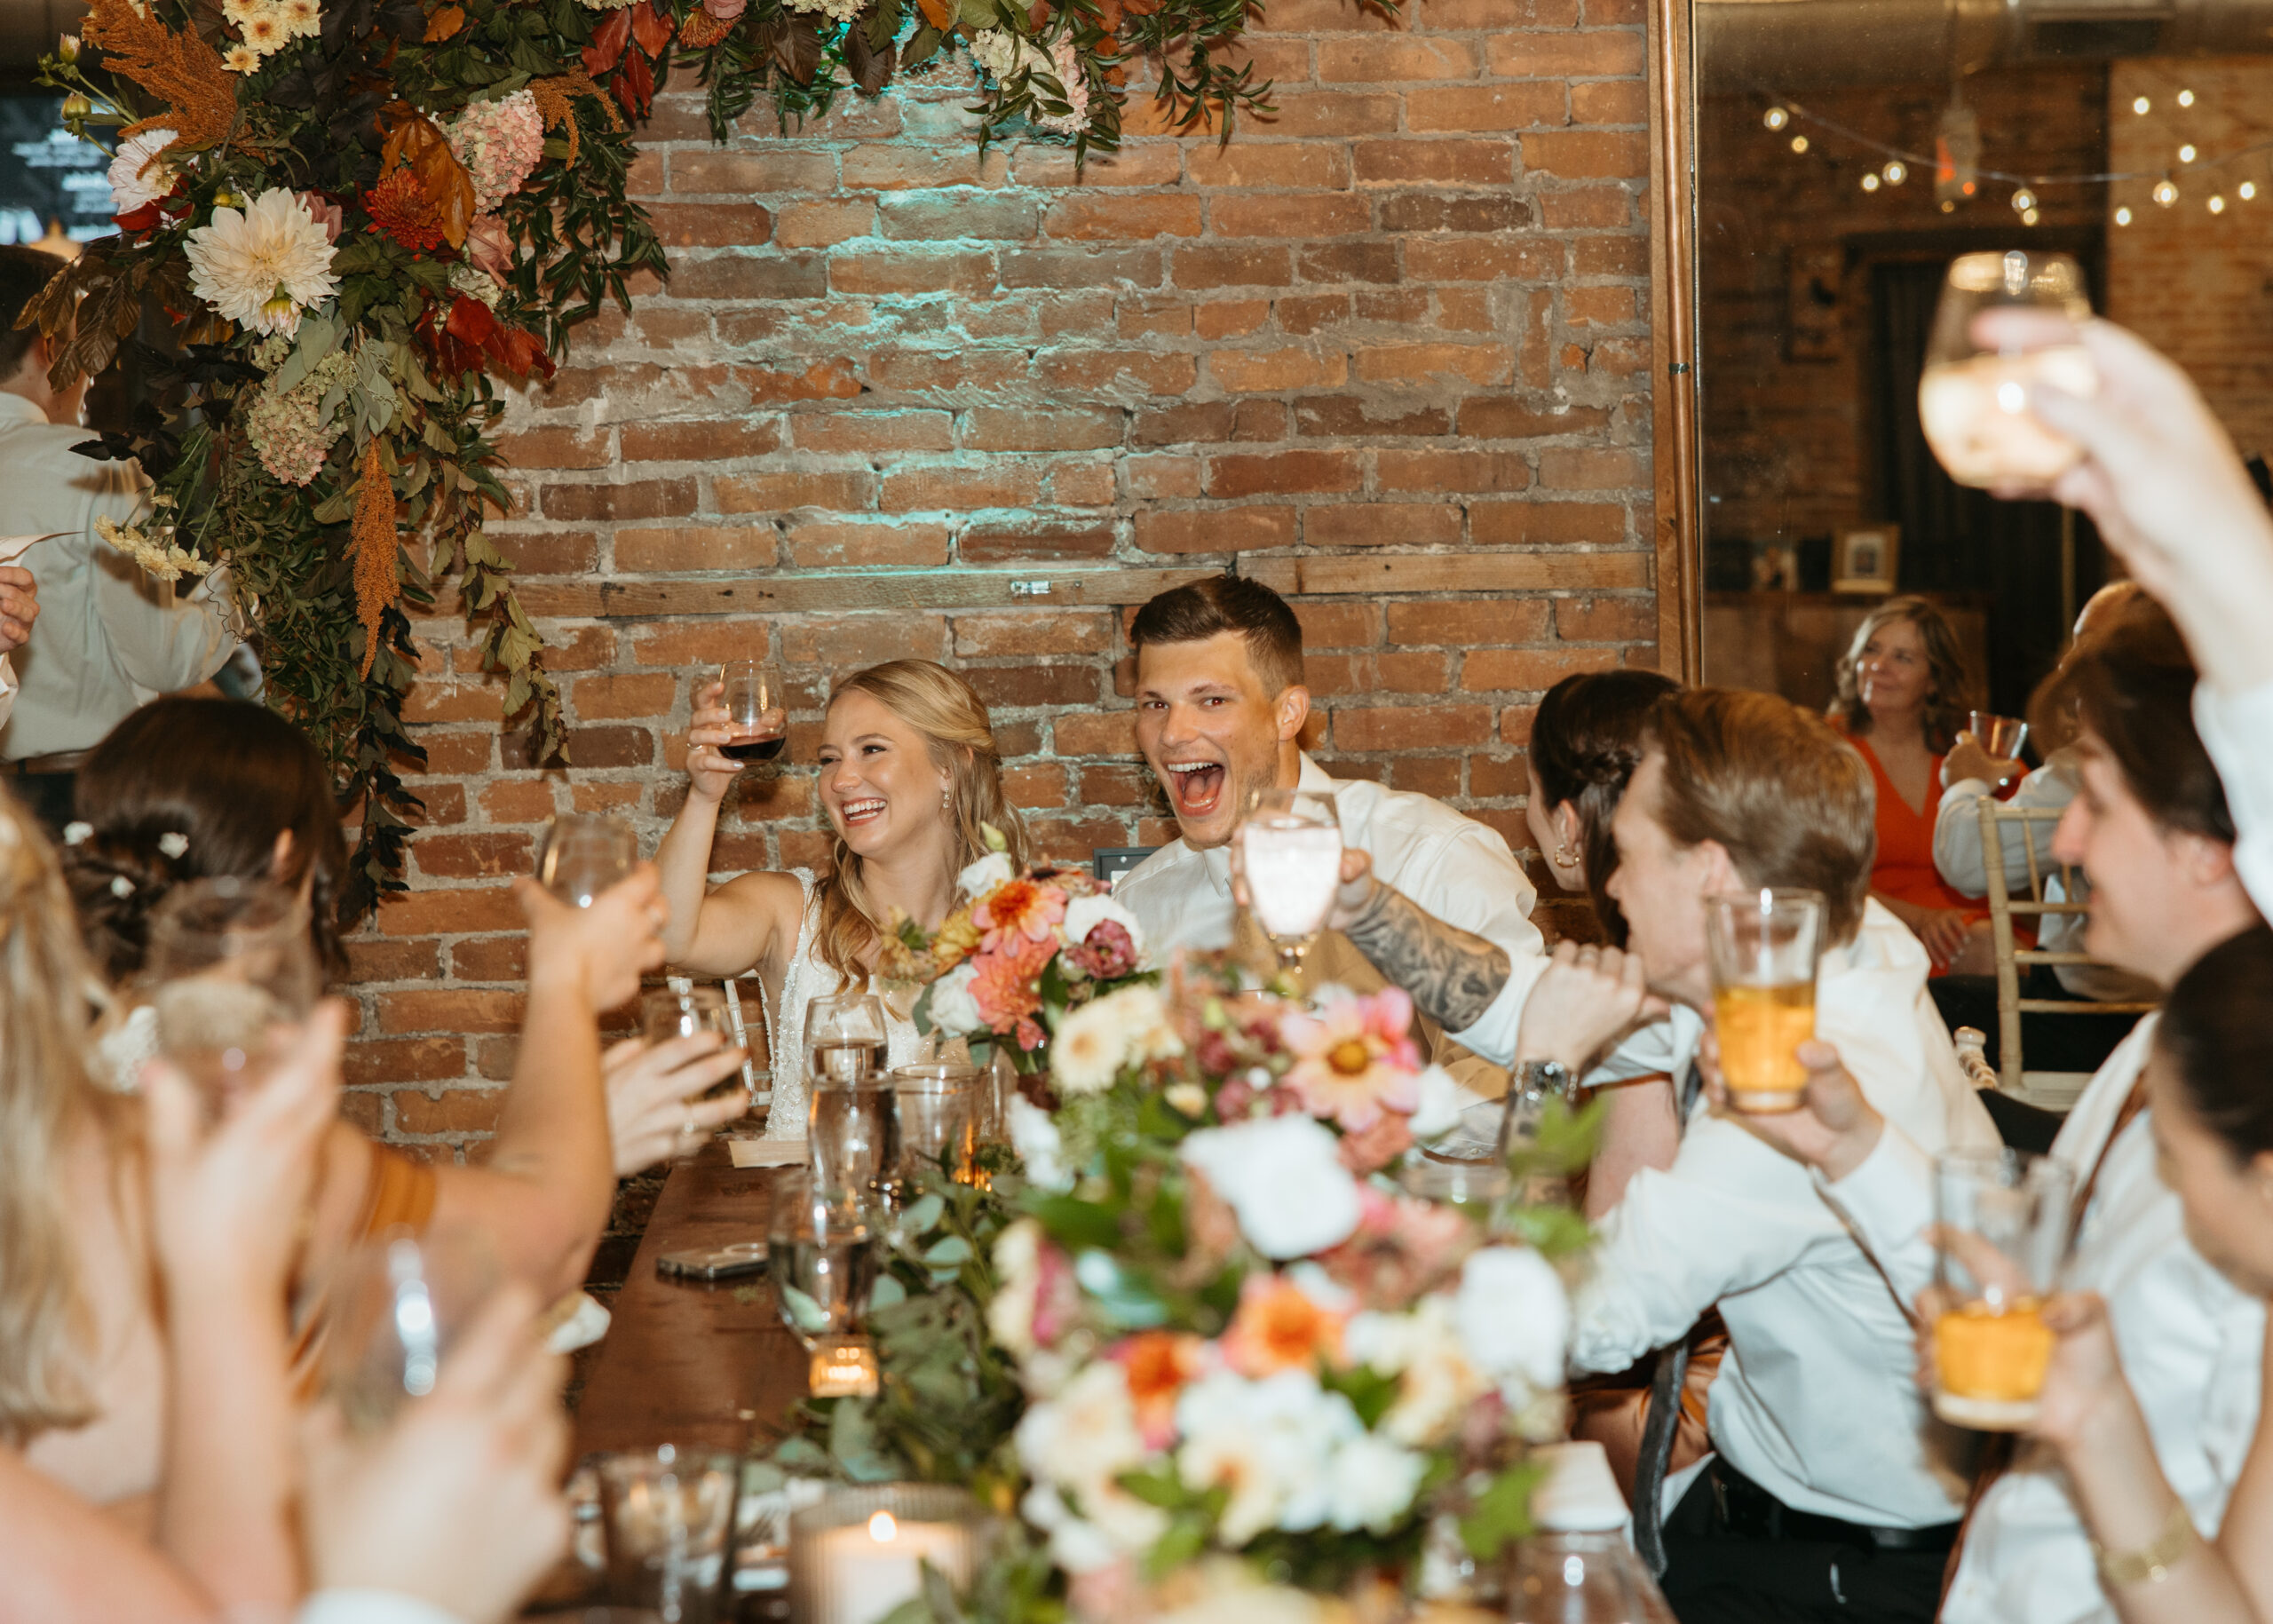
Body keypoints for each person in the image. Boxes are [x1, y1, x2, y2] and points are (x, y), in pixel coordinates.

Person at [1691, 600, 2263, 1624]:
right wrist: (1851, 1142)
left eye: (2094, 795)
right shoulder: (2152, 1049)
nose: (2067, 836)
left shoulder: (2245, 1122)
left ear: (2207, 839)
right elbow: (2037, 1308)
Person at [32, 701, 661, 1523]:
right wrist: (566, 979)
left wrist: (589, 1125)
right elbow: (547, 1239)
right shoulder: (233, 1124)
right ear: (292, 858)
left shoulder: (53, 1078)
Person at [1117, 574, 1541, 1097]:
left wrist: (1368, 1126)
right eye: (1155, 704)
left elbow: (1521, 1077)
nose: (1174, 733)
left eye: (1212, 700)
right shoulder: (1138, 903)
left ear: (1288, 713)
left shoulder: (1429, 854)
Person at [657, 658, 1029, 1139]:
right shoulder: (789, 913)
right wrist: (704, 797)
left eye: (871, 750)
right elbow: (668, 939)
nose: (841, 780)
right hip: (805, 1208)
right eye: (830, 759)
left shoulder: (1025, 935)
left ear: (951, 768)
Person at [0, 245, 236, 832]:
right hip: (78, 799)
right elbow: (164, 655)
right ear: (50, 348)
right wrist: (243, 583)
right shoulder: (94, 466)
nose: (96, 369)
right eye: (90, 345)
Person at [1926, 581, 2157, 1078]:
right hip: (2166, 1016)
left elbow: (1966, 862)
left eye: (2086, 645)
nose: (2067, 664)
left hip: (2089, 1024)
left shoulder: (2087, 768)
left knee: (1927, 1005)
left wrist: (1966, 784)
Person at [1828, 595, 1992, 974]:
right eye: (1871, 650)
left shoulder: (1968, 749)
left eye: (1902, 658)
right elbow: (1811, 871)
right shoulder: (1823, 748)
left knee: (1992, 947)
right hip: (1869, 924)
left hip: (1967, 928)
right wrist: (1919, 918)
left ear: (1935, 680)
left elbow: (2034, 830)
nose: (1878, 667)